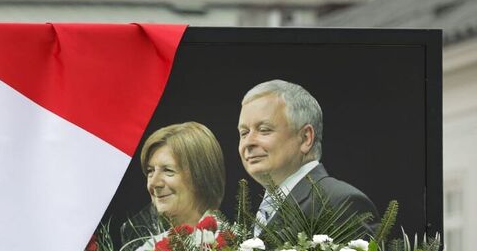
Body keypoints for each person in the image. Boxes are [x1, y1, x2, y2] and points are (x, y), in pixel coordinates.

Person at [237, 79, 377, 236]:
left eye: (264, 130)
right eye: (244, 133)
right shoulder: (263, 213)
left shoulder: (340, 204)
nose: (248, 143)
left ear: (305, 138)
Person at [136, 121, 226, 229]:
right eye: (150, 171)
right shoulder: (147, 240)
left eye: (168, 170)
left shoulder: (236, 239)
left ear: (200, 176)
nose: (154, 183)